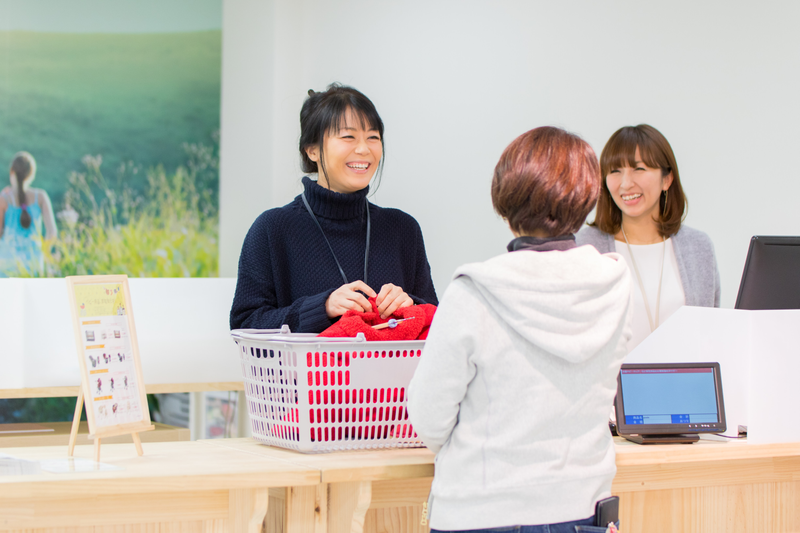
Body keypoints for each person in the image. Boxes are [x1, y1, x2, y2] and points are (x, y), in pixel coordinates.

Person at [407, 127, 632, 533]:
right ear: (586, 199)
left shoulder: (475, 291)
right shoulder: (614, 286)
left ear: (504, 198)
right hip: (583, 509)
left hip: (481, 511)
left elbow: (429, 417)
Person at [230, 84, 438, 333]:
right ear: (312, 149)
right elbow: (245, 325)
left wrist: (411, 304)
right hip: (303, 373)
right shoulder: (272, 228)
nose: (364, 149)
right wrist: (322, 307)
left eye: (373, 137)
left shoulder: (403, 229)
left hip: (391, 373)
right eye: (348, 137)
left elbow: (436, 324)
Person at [577, 124, 720, 351]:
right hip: (614, 386)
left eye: (639, 169)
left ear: (666, 179)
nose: (625, 183)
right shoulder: (587, 247)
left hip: (684, 385)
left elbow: (711, 335)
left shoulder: (698, 247)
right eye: (615, 171)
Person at [0, 151, 57, 277]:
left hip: (6, 265)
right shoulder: (41, 197)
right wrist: (43, 253)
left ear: (11, 172)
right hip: (34, 263)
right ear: (31, 174)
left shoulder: (4, 199)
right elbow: (52, 232)